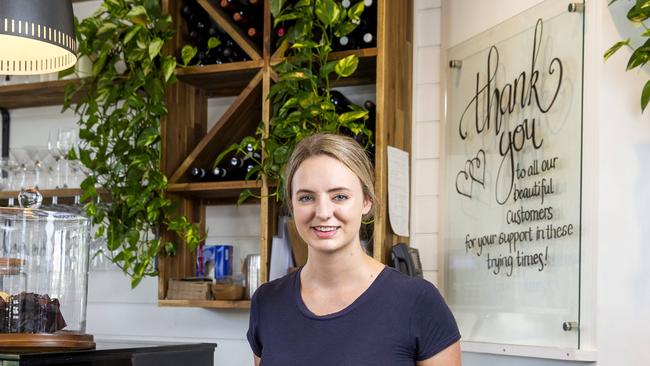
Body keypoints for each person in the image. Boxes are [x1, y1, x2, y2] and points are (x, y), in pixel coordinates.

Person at [247, 133, 461, 365]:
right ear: (292, 204)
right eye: (307, 197)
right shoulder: (267, 302)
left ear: (366, 201)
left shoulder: (418, 301)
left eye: (339, 196)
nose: (323, 212)